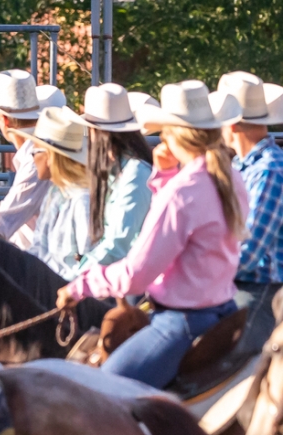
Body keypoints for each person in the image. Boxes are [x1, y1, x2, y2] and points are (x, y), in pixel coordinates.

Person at [57, 80, 248, 389]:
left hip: (181, 322)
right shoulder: (229, 178)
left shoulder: (183, 191)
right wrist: (166, 176)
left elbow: (137, 274)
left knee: (101, 391)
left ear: (171, 135)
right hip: (222, 311)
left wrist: (80, 286)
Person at [219, 72, 283, 358]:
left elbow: (252, 248)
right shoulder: (244, 167)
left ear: (231, 124)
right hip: (240, 282)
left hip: (261, 289)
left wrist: (207, 274)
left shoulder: (269, 170)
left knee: (226, 360)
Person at [77, 84, 157, 271]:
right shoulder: (127, 170)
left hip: (134, 277)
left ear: (96, 132)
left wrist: (76, 277)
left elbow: (117, 244)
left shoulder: (136, 174)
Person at [11, 108, 95, 278]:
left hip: (68, 293)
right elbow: (38, 249)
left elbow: (90, 260)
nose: (32, 158)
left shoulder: (81, 200)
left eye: (34, 152)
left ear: (49, 156)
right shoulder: (55, 194)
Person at [0, 71, 52, 239]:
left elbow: (3, 223)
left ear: (4, 120)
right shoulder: (36, 154)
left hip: (42, 258)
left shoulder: (35, 161)